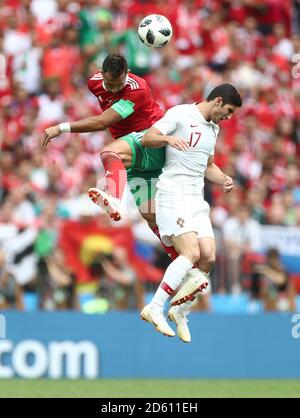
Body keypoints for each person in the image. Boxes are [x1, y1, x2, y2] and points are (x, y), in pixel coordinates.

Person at [42, 53, 208, 303]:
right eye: (111, 85)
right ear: (102, 75)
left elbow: (102, 122)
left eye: (119, 83)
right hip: (135, 156)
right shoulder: (94, 82)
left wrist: (60, 128)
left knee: (108, 151)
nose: (115, 88)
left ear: (127, 73)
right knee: (153, 217)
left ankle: (116, 197)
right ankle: (190, 271)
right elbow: (104, 112)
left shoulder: (137, 88)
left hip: (150, 140)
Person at [140, 84, 242, 342]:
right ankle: (155, 307)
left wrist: (224, 178)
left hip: (196, 199)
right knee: (191, 253)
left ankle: (180, 310)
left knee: (207, 257)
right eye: (228, 111)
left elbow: (208, 166)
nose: (228, 117)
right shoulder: (181, 114)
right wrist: (168, 139)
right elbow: (147, 138)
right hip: (173, 193)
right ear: (218, 101)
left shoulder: (213, 129)